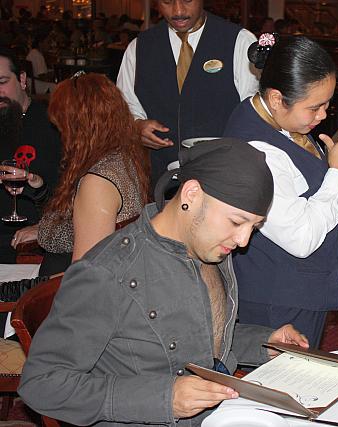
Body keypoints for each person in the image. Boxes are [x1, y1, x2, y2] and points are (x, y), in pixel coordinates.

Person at [18, 138, 309, 425]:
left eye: (254, 227)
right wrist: (164, 398)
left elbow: (199, 338)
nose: (243, 240)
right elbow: (41, 383)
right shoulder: (107, 273)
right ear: (192, 194)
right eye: (236, 222)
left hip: (220, 411)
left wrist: (263, 343)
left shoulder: (211, 247)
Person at [224, 35, 338, 348]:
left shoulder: (276, 119)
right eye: (315, 107)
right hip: (279, 299)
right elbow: (300, 239)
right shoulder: (258, 149)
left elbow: (297, 204)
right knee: (285, 376)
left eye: (327, 104)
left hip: (295, 289)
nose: (323, 115)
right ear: (277, 99)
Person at [116, 0, 260, 185]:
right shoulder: (139, 47)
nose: (178, 11)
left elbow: (254, 112)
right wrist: (136, 126)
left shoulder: (239, 41)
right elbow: (125, 106)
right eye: (167, 1)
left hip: (223, 177)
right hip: (159, 178)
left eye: (187, 0)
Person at [33, 73, 149, 276]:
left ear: (79, 127)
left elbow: (86, 279)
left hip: (62, 289)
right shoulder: (122, 159)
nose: (61, 135)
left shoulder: (98, 182)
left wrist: (24, 288)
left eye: (62, 127)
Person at [0, 47, 61, 263]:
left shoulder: (54, 124)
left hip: (29, 247)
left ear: (22, 79)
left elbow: (72, 195)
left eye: (2, 82)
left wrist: (44, 228)